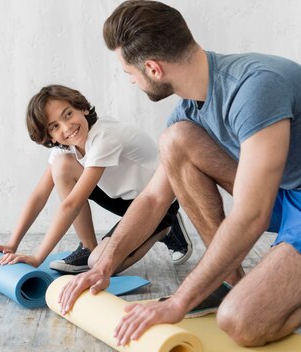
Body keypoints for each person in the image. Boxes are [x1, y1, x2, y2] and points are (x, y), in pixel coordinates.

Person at [58, 0, 301, 347]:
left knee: (241, 321)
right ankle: (229, 281)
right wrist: (104, 264)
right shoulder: (190, 110)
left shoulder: (254, 89)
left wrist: (179, 301)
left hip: (275, 202)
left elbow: (251, 215)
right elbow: (156, 197)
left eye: (129, 73)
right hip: (286, 191)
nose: (130, 81)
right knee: (175, 141)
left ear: (153, 69)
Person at [0, 84, 192, 275]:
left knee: (100, 264)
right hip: (126, 201)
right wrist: (11, 244)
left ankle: (166, 228)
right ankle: (87, 246)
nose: (66, 127)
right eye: (55, 126)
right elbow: (39, 194)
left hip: (157, 204)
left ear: (83, 108)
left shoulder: (105, 137)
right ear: (50, 137)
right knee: (61, 166)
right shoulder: (68, 147)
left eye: (68, 114)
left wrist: (37, 257)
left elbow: (71, 204)